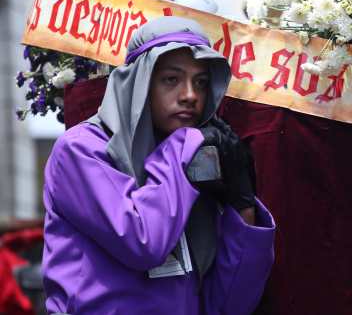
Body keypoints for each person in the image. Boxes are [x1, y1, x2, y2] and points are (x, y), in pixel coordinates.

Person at [41, 16, 275, 315]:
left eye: (201, 83)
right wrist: (184, 147)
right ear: (138, 85)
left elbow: (230, 306)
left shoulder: (195, 158)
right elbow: (144, 242)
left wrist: (243, 204)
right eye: (171, 79)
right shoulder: (80, 150)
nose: (190, 95)